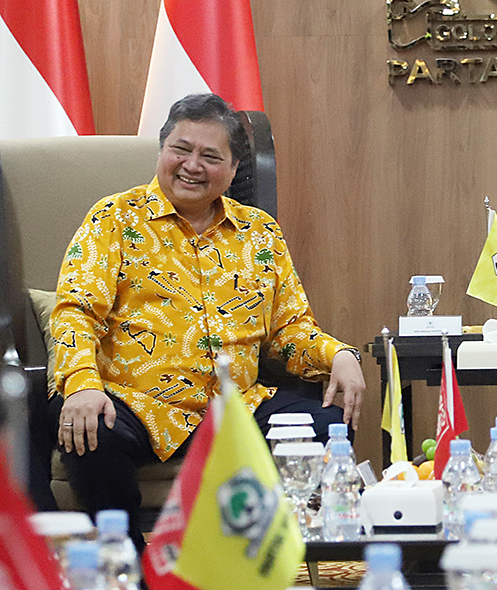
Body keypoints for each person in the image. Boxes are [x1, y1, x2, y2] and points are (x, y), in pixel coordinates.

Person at [49, 94, 365, 552]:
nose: (191, 165)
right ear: (161, 152)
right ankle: (130, 563)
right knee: (92, 436)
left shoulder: (260, 233)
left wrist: (340, 354)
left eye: (210, 156)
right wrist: (81, 383)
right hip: (139, 405)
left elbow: (290, 329)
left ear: (234, 169)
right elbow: (76, 309)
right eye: (180, 149)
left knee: (331, 420)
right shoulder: (113, 219)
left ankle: (256, 556)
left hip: (237, 408)